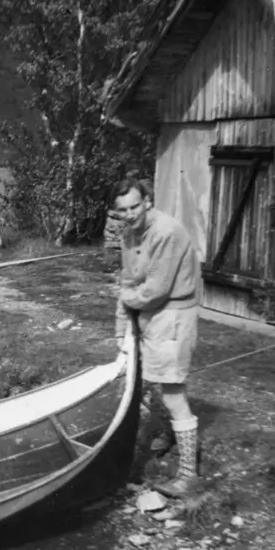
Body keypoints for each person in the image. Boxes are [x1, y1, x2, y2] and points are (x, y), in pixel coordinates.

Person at [111, 177, 203, 497]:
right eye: (123, 209)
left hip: (173, 314)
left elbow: (154, 290)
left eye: (135, 206)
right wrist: (121, 328)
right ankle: (170, 435)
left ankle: (189, 474)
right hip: (149, 313)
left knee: (173, 391)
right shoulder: (128, 233)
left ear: (148, 201)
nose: (130, 213)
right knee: (151, 382)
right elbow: (128, 282)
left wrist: (127, 301)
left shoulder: (167, 232)